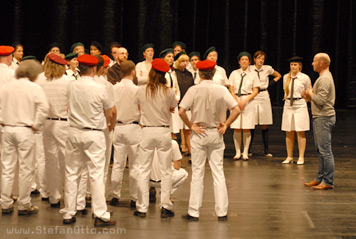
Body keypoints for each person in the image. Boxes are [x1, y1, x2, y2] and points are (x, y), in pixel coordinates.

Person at [179, 59, 240, 221]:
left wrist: (190, 125)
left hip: (199, 133)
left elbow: (181, 111)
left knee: (197, 173)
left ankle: (194, 211)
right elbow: (237, 109)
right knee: (218, 172)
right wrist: (226, 124)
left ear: (199, 73)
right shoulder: (221, 90)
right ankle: (222, 212)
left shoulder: (194, 90)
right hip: (215, 132)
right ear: (213, 73)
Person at [60, 54, 116, 227]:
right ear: (94, 69)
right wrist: (110, 125)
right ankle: (100, 214)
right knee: (96, 174)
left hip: (74, 131)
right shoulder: (101, 88)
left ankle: (69, 212)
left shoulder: (72, 85)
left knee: (71, 172)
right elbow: (111, 111)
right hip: (94, 133)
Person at [0, 59, 49, 215]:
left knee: (7, 168)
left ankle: (5, 203)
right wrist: (36, 124)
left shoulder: (7, 87)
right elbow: (44, 107)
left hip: (8, 129)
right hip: (25, 130)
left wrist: (2, 120)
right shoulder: (34, 88)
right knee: (26, 169)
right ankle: (23, 204)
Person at [134, 58, 177, 218]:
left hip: (147, 130)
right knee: (166, 171)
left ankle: (142, 207)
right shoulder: (169, 91)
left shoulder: (141, 90)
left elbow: (138, 107)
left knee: (143, 169)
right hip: (164, 131)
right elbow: (172, 107)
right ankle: (165, 206)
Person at [37, 53, 69, 208]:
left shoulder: (40, 80)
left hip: (46, 123)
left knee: (50, 160)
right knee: (65, 161)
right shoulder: (66, 81)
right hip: (63, 123)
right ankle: (69, 196)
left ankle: (53, 196)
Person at [110, 60, 141, 208]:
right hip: (134, 127)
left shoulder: (114, 88)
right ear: (133, 71)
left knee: (118, 163)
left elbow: (111, 109)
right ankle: (135, 198)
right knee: (135, 165)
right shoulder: (137, 90)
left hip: (119, 127)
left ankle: (115, 195)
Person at [303, 53, 336, 190]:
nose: (312, 63)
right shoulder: (322, 78)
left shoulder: (324, 79)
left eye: (314, 61)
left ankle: (328, 181)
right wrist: (309, 96)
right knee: (320, 150)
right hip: (320, 117)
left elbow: (321, 101)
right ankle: (320, 178)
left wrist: (310, 92)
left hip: (324, 117)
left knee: (325, 151)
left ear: (322, 63)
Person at [249, 51, 282, 157]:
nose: (261, 60)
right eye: (259, 58)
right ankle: (248, 149)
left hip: (263, 95)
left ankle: (266, 150)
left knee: (264, 122)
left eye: (262, 58)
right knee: (252, 122)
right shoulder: (250, 69)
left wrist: (271, 84)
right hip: (253, 94)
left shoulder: (267, 68)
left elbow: (278, 75)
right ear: (254, 59)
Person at [229, 52, 260, 160]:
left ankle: (245, 152)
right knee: (237, 127)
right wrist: (237, 101)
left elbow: (255, 90)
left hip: (248, 100)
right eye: (242, 59)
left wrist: (245, 101)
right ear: (239, 61)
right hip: (236, 100)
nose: (244, 61)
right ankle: (237, 152)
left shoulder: (253, 74)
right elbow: (231, 89)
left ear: (249, 62)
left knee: (247, 127)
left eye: (246, 59)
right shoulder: (234, 73)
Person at [281, 56, 311, 165]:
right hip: (288, 104)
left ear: (299, 66)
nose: (293, 67)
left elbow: (309, 91)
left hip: (300, 104)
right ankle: (289, 156)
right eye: (291, 65)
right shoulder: (286, 77)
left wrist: (306, 99)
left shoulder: (305, 78)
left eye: (295, 65)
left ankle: (301, 156)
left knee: (300, 130)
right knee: (288, 131)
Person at [174, 52, 194, 156]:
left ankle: (191, 152)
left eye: (186, 61)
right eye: (182, 61)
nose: (185, 63)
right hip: (177, 104)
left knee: (188, 130)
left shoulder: (189, 74)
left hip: (187, 105)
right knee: (175, 130)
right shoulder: (174, 73)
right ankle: (176, 154)